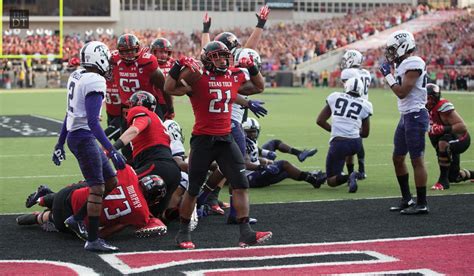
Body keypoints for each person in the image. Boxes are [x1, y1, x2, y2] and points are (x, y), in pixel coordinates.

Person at [164, 41, 272, 249]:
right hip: (203, 140)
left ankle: (246, 233)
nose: (224, 60)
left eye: (225, 56)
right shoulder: (196, 76)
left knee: (241, 184)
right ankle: (183, 234)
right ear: (207, 59)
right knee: (194, 188)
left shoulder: (232, 75)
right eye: (218, 56)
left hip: (225, 138)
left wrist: (252, 67)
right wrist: (177, 66)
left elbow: (259, 86)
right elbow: (170, 88)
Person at [51, 41, 126, 252]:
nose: (109, 64)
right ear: (98, 58)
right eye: (107, 60)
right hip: (84, 138)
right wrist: (111, 149)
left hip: (78, 136)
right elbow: (93, 122)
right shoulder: (95, 80)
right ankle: (93, 240)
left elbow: (70, 113)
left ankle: (76, 218)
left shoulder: (77, 75)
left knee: (111, 181)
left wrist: (60, 142)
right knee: (97, 188)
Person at [18, 165, 167, 239]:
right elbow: (116, 227)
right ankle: (39, 217)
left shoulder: (129, 174)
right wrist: (96, 236)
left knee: (92, 185)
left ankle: (42, 198)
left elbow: (110, 173)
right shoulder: (142, 215)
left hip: (68, 195)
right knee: (48, 218)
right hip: (72, 219)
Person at [379, 30, 430, 215]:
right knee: (398, 158)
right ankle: (407, 199)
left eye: (393, 49)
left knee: (417, 160)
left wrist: (388, 75)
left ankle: (422, 203)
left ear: (403, 47)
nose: (391, 53)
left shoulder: (414, 62)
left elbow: (402, 92)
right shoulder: (403, 64)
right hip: (406, 115)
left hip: (416, 115)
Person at [111, 91, 181, 219]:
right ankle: (171, 212)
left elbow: (135, 129)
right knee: (155, 219)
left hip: (156, 167)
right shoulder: (158, 121)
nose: (129, 109)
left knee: (116, 185)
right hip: (173, 171)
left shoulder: (140, 111)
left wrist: (112, 149)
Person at [316, 77, 373, 193]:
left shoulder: (335, 96)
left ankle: (350, 177)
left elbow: (320, 121)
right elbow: (366, 133)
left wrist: (336, 130)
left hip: (339, 144)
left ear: (346, 87)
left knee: (331, 181)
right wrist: (353, 132)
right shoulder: (365, 104)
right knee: (348, 151)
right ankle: (350, 172)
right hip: (355, 144)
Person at [243, 117, 326, 189]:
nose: (251, 134)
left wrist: (267, 155)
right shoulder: (241, 144)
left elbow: (257, 152)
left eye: (253, 131)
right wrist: (264, 167)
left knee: (275, 144)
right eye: (248, 132)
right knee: (284, 164)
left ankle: (300, 155)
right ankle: (313, 179)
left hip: (256, 171)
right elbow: (245, 164)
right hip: (250, 178)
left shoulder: (249, 141)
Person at [111, 34, 171, 120]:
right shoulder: (113, 59)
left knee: (158, 131)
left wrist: (170, 108)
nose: (129, 54)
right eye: (125, 51)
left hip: (148, 104)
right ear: (119, 51)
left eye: (132, 50)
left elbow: (163, 86)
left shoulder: (147, 61)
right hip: (127, 107)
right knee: (125, 132)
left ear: (138, 48)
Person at [425, 84, 473, 190]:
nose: (425, 100)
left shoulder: (443, 107)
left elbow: (462, 127)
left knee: (443, 143)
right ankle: (472, 174)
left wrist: (443, 128)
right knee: (453, 177)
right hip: (446, 140)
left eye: (428, 98)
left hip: (461, 139)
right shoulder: (424, 108)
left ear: (434, 98)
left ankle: (443, 182)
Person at [340, 49, 372, 178]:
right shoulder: (366, 73)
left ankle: (350, 171)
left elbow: (347, 88)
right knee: (358, 139)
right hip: (363, 107)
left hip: (352, 105)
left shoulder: (347, 72)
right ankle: (362, 170)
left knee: (347, 138)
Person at [150, 37, 176, 119]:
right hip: (155, 101)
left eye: (166, 52)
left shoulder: (172, 63)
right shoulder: (150, 63)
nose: (164, 55)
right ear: (154, 52)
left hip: (168, 101)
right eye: (161, 52)